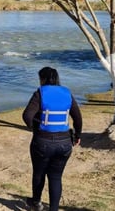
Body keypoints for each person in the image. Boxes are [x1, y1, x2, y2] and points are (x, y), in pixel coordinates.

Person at [22, 67, 82, 211]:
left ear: (43, 79)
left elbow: (27, 116)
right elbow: (78, 118)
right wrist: (77, 136)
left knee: (39, 173)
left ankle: (36, 203)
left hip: (42, 142)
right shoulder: (67, 93)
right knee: (55, 177)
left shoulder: (40, 93)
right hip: (64, 143)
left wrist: (36, 128)